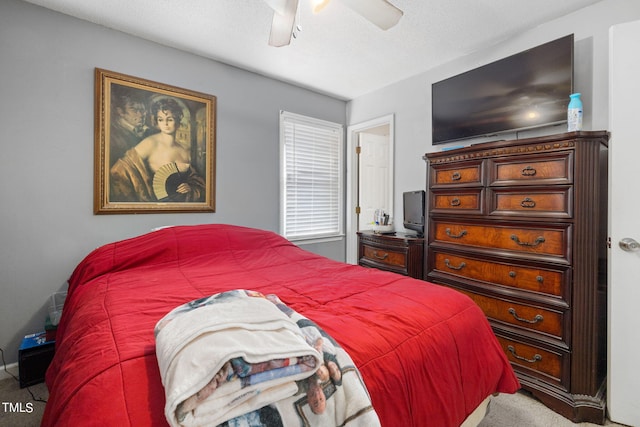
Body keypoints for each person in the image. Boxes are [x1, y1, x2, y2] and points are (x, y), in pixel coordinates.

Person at [110, 97, 206, 202]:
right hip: (155, 203)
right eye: (161, 119)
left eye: (170, 119)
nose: (165, 124)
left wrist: (190, 187)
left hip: (180, 206)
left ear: (178, 121)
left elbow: (197, 181)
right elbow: (120, 169)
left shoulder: (184, 149)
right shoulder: (150, 143)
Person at [109, 90, 154, 167]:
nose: (140, 115)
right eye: (134, 110)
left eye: (142, 110)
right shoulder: (113, 135)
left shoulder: (149, 132)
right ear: (120, 112)